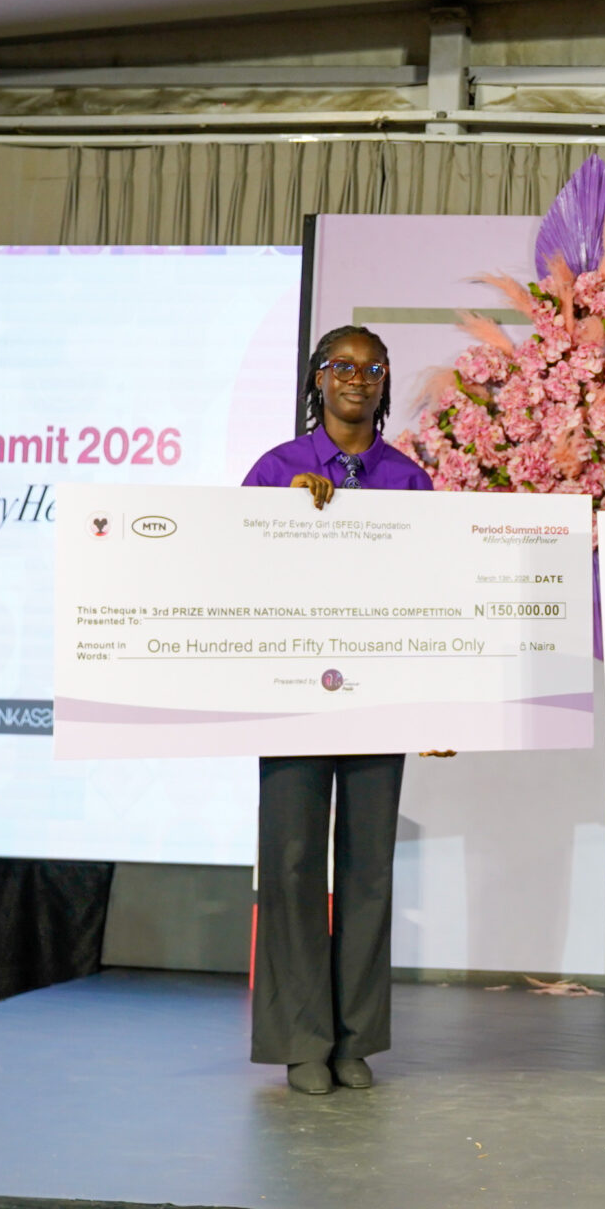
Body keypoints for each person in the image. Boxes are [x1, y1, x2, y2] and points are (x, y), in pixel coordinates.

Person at [240, 323, 445, 1096]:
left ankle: (355, 1038)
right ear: (318, 378)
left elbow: (435, 596)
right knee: (292, 862)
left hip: (379, 695)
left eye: (373, 367)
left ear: (385, 382)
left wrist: (439, 707)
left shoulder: (408, 479)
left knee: (368, 867)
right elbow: (233, 572)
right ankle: (302, 1039)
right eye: (343, 365)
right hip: (292, 695)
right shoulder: (276, 470)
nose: (358, 378)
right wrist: (285, 518)